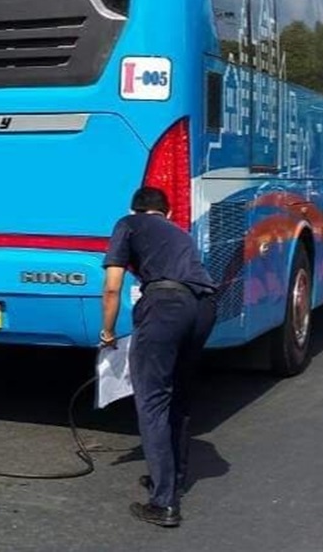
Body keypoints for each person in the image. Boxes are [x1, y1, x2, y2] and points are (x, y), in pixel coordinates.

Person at [100, 187, 217, 528]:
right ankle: (173, 479)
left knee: (152, 400)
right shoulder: (179, 232)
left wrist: (107, 332)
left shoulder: (128, 223)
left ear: (136, 208)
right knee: (178, 396)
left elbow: (112, 286)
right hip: (204, 306)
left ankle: (164, 502)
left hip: (166, 305)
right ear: (165, 212)